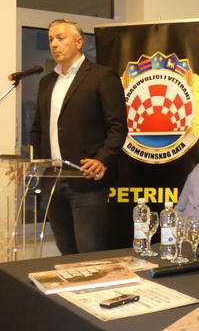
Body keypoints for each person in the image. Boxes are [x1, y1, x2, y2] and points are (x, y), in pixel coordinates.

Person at [30, 19, 127, 255]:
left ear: (79, 42)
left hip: (86, 179)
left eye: (60, 38)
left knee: (90, 252)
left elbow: (117, 127)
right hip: (52, 179)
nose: (54, 44)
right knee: (67, 252)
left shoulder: (102, 76)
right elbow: (37, 129)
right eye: (50, 39)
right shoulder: (46, 82)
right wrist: (31, 162)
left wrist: (102, 159)